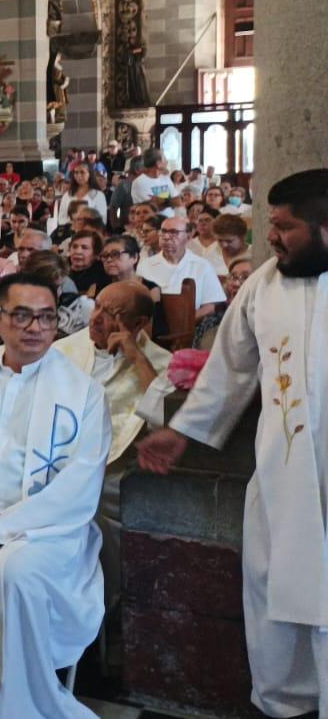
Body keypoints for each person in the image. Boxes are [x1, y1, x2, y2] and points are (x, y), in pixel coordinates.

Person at [137, 169, 328, 718]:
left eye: (287, 227)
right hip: (282, 478)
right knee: (276, 603)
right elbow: (228, 369)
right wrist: (182, 431)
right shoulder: (264, 285)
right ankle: (285, 706)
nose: (272, 236)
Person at [0, 273, 110, 718]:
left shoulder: (84, 393)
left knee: (8, 575)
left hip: (45, 533)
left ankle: (14, 705)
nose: (35, 327)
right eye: (23, 315)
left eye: (47, 317)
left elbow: (78, 487)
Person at [52, 280, 168, 610]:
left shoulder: (161, 363)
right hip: (56, 465)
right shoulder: (65, 350)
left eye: (112, 312)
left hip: (112, 476)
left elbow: (163, 417)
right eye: (97, 306)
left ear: (140, 324)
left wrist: (136, 356)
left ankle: (109, 608)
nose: (96, 317)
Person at [136, 214, 225, 319]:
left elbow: (209, 307)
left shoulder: (202, 266)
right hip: (152, 328)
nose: (166, 237)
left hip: (191, 328)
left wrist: (183, 323)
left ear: (188, 237)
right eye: (163, 231)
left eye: (174, 232)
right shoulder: (146, 265)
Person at [131, 149, 176, 216]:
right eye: (164, 158)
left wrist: (168, 201)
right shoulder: (139, 182)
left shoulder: (165, 178)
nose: (167, 161)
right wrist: (169, 202)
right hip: (151, 223)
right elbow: (154, 206)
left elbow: (177, 201)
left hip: (170, 221)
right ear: (158, 163)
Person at [66, 229, 111, 295]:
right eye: (74, 246)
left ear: (96, 254)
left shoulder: (103, 273)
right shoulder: (60, 267)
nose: (78, 251)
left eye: (84, 248)